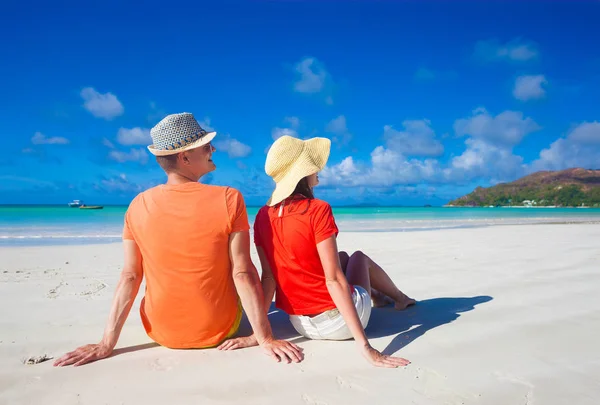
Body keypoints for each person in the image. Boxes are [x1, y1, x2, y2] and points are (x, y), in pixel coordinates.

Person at [54, 113, 303, 367]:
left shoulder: (138, 204)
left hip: (162, 332)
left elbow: (130, 276)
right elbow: (242, 273)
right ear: (185, 157)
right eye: (206, 147)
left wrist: (106, 343)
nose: (213, 149)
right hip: (219, 329)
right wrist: (265, 338)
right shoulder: (229, 198)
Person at [218, 135, 415, 368]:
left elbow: (269, 277)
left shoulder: (262, 216)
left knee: (342, 258)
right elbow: (333, 280)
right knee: (358, 258)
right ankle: (400, 298)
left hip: (300, 325)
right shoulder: (318, 210)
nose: (319, 170)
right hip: (339, 324)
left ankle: (379, 297)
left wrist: (257, 334)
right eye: (314, 165)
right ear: (303, 173)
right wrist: (366, 347)